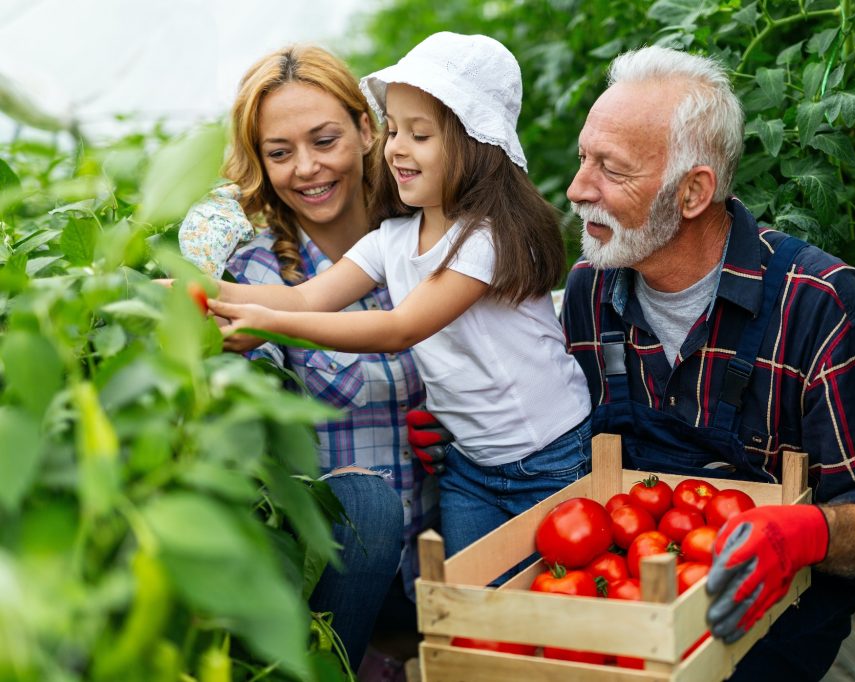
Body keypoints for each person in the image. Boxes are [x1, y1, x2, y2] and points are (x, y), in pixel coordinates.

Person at [560, 46, 855, 680]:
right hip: (626, 598)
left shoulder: (817, 303)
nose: (577, 190)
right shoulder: (590, 291)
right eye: (582, 158)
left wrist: (809, 533)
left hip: (774, 619)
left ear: (692, 193)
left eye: (611, 170)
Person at [205, 32, 593, 565]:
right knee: (467, 602)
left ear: (474, 143)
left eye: (420, 134)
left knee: (550, 602)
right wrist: (194, 290)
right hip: (471, 467)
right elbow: (308, 297)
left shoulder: (484, 239)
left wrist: (270, 325)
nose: (398, 148)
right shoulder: (393, 239)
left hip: (547, 453)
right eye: (394, 130)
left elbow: (399, 329)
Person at [176, 45, 439, 676]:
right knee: (366, 505)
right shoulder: (254, 269)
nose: (307, 169)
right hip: (338, 580)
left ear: (367, 129)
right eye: (280, 152)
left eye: (325, 140)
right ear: (260, 162)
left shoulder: (422, 239)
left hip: (434, 555)